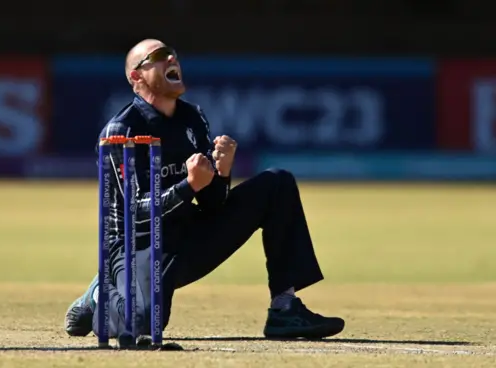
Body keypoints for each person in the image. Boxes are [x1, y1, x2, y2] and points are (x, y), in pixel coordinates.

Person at [65, 39, 345, 340]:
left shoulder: (192, 118)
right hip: (138, 246)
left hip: (188, 232)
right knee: (143, 325)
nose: (171, 57)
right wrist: (188, 186)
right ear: (136, 76)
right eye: (158, 56)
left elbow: (212, 204)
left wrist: (222, 173)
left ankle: (284, 308)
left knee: (277, 184)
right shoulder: (121, 131)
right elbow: (132, 214)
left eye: (172, 53)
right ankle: (100, 295)